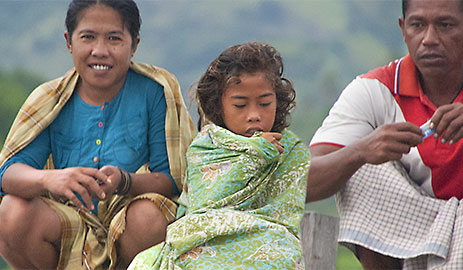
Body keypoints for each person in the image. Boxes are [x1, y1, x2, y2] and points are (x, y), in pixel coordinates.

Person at [0, 0, 194, 269]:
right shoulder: (51, 99)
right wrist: (51, 179)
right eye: (88, 37)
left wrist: (124, 181)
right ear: (69, 42)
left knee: (149, 215)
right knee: (11, 212)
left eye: (114, 38)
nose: (100, 51)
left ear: (134, 44)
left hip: (130, 224)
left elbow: (172, 180)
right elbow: (8, 174)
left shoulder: (156, 91)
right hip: (68, 219)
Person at [307, 0, 463, 269]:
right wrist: (362, 151)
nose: (429, 39)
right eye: (418, 25)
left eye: (445, 25)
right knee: (360, 166)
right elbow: (300, 181)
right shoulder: (374, 89)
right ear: (403, 29)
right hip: (411, 235)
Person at [128, 41, 310, 270]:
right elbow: (207, 205)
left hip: (268, 239)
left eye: (264, 103)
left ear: (278, 101)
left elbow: (283, 216)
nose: (254, 115)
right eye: (240, 105)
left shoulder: (292, 151)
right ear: (219, 106)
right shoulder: (205, 146)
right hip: (206, 237)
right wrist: (255, 153)